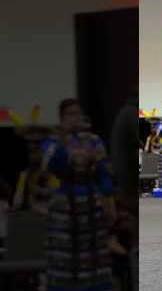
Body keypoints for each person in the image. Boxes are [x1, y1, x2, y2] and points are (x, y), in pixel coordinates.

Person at [41, 98, 115, 290]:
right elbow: (52, 166)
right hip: (64, 203)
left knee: (94, 254)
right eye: (70, 114)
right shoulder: (53, 142)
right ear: (62, 117)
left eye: (77, 113)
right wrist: (64, 140)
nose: (75, 118)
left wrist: (109, 202)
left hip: (91, 203)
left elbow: (103, 172)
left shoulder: (93, 140)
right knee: (64, 255)